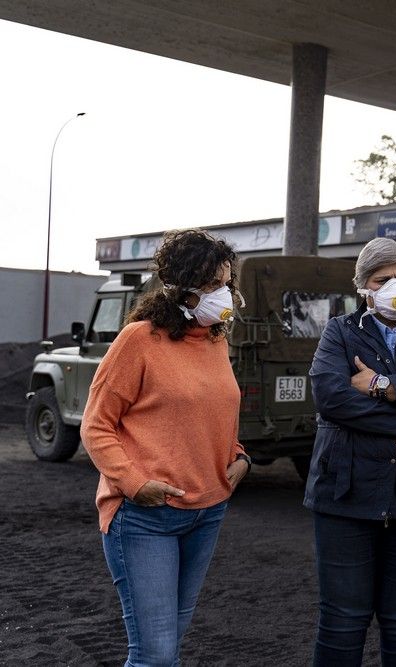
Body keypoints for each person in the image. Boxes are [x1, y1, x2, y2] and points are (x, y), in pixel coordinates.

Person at [81, 229, 251, 666]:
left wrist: (240, 456)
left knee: (168, 647)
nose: (225, 295)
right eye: (213, 286)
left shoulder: (216, 340)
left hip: (208, 511)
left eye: (227, 284)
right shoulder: (138, 340)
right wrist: (136, 484)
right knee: (154, 655)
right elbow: (96, 426)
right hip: (145, 518)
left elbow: (218, 412)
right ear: (183, 290)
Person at [304, 237, 396, 666]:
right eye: (382, 279)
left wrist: (381, 385)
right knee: (342, 620)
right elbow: (331, 398)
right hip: (344, 496)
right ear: (363, 288)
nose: (394, 286)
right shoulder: (339, 331)